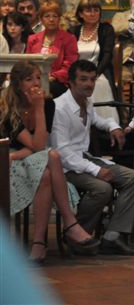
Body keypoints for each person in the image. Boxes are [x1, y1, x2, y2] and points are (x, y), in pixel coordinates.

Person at [2, 61, 100, 262]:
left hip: (34, 159)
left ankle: (40, 243)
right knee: (52, 156)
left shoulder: (48, 104)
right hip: (11, 163)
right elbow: (37, 145)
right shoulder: (8, 108)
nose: (36, 83)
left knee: (47, 172)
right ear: (18, 84)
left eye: (38, 78)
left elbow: (38, 146)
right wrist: (38, 109)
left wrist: (40, 108)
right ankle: (69, 223)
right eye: (29, 79)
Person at [51, 60, 134, 255]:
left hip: (84, 159)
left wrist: (113, 126)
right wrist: (96, 170)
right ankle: (77, 235)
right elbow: (63, 152)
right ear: (71, 82)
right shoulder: (59, 108)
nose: (89, 84)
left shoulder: (86, 101)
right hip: (64, 166)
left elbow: (98, 120)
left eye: (92, 79)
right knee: (102, 188)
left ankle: (113, 236)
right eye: (83, 79)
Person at [69, 0, 119, 122]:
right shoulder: (73, 31)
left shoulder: (106, 29)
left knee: (98, 84)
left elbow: (107, 55)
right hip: (78, 73)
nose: (93, 14)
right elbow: (70, 56)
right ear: (81, 14)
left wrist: (95, 74)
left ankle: (102, 123)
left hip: (99, 71)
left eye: (96, 10)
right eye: (88, 10)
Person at [25, 0, 78, 98]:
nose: (51, 19)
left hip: (58, 82)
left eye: (55, 16)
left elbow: (70, 65)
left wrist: (52, 76)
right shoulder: (32, 39)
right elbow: (27, 63)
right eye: (47, 16)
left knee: (46, 87)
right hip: (34, 79)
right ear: (41, 19)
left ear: (59, 19)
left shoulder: (69, 38)